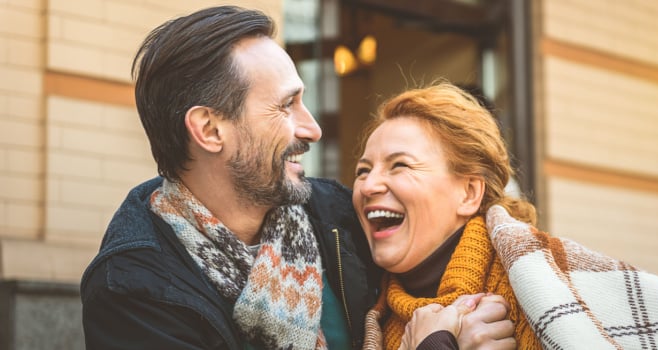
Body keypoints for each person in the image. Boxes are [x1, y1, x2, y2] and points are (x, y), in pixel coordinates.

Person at [80, 6, 513, 350]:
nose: (312, 129)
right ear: (210, 130)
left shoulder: (337, 217)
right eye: (287, 106)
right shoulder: (133, 290)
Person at [353, 82, 658, 349]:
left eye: (399, 165)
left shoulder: (546, 283)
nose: (370, 185)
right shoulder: (367, 312)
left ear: (469, 192)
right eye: (363, 170)